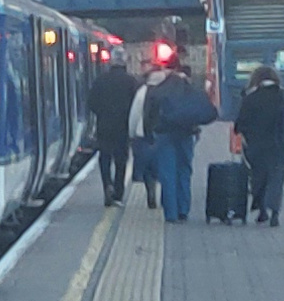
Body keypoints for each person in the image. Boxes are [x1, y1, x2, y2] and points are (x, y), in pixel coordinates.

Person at [148, 66, 216, 223]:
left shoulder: (159, 90)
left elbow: (149, 115)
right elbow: (209, 112)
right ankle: (183, 210)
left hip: (164, 135)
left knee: (167, 174)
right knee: (184, 171)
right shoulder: (192, 91)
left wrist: (149, 135)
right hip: (186, 135)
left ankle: (171, 213)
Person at [233, 65, 284, 226]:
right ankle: (274, 211)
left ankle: (262, 210)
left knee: (258, 178)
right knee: (276, 178)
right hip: (279, 146)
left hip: (256, 147)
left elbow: (239, 124)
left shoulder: (250, 98)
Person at [88, 53, 137, 206]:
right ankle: (118, 193)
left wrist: (102, 114)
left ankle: (107, 185)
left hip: (104, 126)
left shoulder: (100, 80)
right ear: (125, 63)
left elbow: (91, 103)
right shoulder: (131, 82)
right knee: (121, 161)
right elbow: (136, 106)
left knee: (105, 158)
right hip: (124, 127)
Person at [129, 60, 172, 209]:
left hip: (144, 136)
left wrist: (132, 133)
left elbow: (134, 114)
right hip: (166, 136)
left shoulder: (143, 91)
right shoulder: (169, 91)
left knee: (148, 169)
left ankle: (151, 192)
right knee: (165, 169)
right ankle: (167, 200)